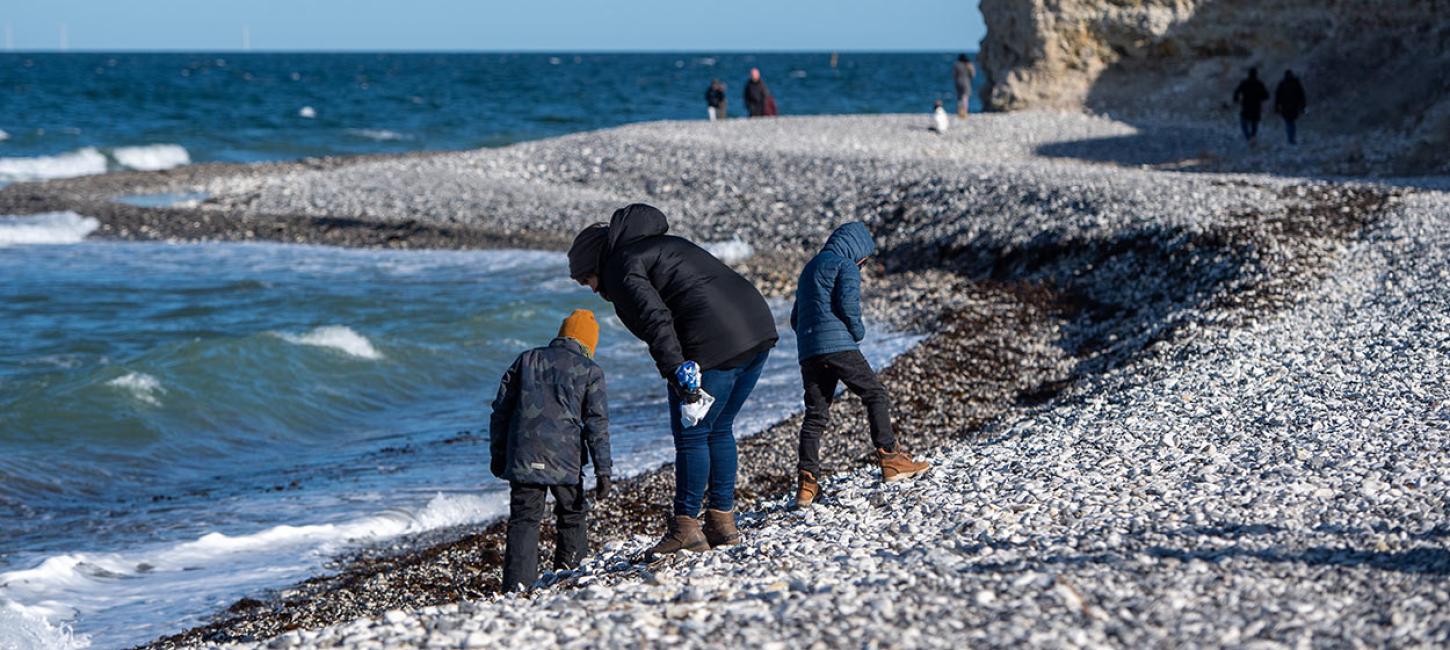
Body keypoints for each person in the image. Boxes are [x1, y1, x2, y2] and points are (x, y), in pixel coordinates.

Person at [567, 204, 778, 558]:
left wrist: (677, 370)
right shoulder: (663, 245)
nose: (590, 289)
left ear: (595, 264)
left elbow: (655, 321)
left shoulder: (620, 267)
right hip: (756, 330)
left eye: (585, 280)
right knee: (720, 427)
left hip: (716, 343)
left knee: (692, 437)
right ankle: (722, 523)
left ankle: (686, 528)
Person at [790, 222, 930, 509]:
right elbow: (848, 305)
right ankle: (891, 458)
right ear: (858, 251)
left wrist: (814, 338)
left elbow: (796, 317)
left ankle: (807, 485)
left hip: (808, 350)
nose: (863, 265)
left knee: (816, 415)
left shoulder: (810, 268)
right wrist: (856, 332)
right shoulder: (846, 266)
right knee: (874, 393)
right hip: (838, 345)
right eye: (864, 260)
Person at [490, 309, 612, 592]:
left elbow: (500, 412)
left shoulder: (527, 359)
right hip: (565, 461)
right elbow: (597, 424)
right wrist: (603, 470)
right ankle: (568, 579)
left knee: (524, 521)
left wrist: (499, 455)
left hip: (524, 456)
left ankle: (516, 590)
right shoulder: (590, 371)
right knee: (571, 516)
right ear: (588, 343)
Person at [1232, 67, 1270, 144]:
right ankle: (1253, 137)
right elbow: (1266, 95)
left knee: (1243, 123)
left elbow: (1237, 92)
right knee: (1254, 123)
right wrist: (1260, 98)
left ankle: (1248, 137)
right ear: (1256, 74)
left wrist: (1236, 99)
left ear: (1249, 74)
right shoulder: (1259, 83)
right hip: (1256, 107)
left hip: (1246, 106)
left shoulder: (1244, 83)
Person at [1274, 70, 1307, 145]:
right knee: (1291, 122)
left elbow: (1277, 97)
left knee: (1289, 122)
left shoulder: (1282, 83)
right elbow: (1302, 95)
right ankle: (1291, 138)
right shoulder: (1296, 83)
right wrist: (1303, 106)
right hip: (1294, 107)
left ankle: (1291, 139)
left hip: (1286, 107)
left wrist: (1276, 107)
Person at [952, 53, 975, 118]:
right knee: (965, 97)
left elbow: (954, 75)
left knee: (959, 97)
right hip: (966, 82)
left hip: (958, 82)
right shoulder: (969, 65)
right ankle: (965, 111)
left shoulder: (956, 64)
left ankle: (959, 111)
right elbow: (973, 74)